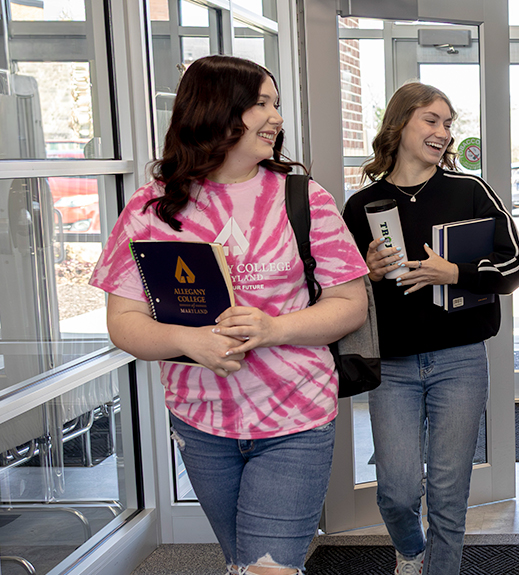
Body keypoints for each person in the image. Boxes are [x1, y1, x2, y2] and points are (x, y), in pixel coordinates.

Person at [90, 55, 368, 575]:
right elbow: (123, 322)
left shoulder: (304, 198)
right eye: (261, 103)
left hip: (296, 415)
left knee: (270, 568)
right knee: (241, 563)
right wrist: (188, 341)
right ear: (217, 110)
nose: (276, 117)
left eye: (276, 104)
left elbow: (351, 304)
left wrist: (273, 329)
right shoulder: (151, 210)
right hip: (200, 422)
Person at [342, 82, 519, 575]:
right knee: (397, 491)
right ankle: (410, 551)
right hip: (394, 366)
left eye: (448, 124)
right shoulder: (361, 206)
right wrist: (368, 271)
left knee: (449, 493)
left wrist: (457, 273)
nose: (443, 132)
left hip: (461, 361)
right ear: (400, 123)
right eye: (431, 120)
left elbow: (516, 265)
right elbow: (336, 290)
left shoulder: (470, 190)